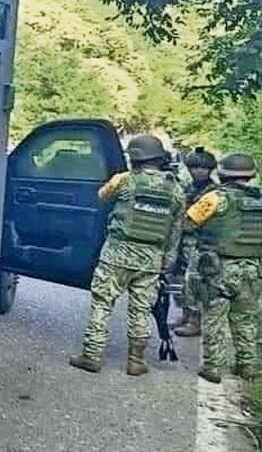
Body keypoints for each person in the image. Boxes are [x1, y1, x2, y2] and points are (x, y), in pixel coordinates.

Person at [69, 134, 185, 375]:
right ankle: (136, 361)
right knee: (141, 310)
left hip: (116, 255)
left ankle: (91, 356)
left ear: (134, 158)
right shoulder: (175, 189)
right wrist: (168, 260)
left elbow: (102, 195)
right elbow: (176, 229)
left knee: (102, 304)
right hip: (151, 259)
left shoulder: (124, 180)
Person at [185, 153, 262, 383]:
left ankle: (212, 367)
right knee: (246, 319)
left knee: (214, 317)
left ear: (222, 173)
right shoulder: (259, 199)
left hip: (218, 269)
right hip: (252, 268)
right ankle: (247, 366)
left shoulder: (215, 198)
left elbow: (189, 222)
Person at [172, 147, 218, 337]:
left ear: (210, 170)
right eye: (195, 167)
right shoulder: (188, 187)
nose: (199, 171)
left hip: (201, 242)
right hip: (184, 240)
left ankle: (195, 320)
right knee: (182, 280)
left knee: (195, 281)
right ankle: (186, 314)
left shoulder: (214, 192)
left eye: (203, 168)